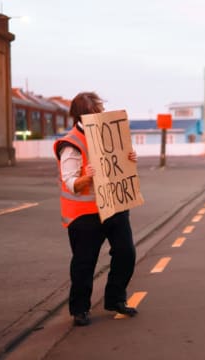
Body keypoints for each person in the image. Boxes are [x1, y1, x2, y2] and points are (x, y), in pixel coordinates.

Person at [53, 92, 138, 326]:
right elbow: (70, 183)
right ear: (81, 116)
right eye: (93, 113)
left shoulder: (109, 135)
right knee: (84, 262)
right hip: (84, 215)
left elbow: (119, 165)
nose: (97, 116)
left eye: (98, 112)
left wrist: (128, 158)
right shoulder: (71, 144)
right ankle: (80, 309)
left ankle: (115, 299)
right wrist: (86, 178)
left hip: (114, 206)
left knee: (126, 253)